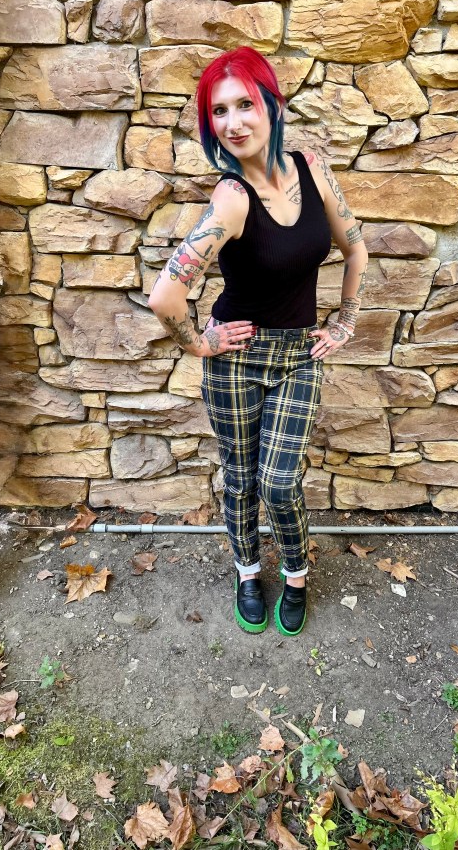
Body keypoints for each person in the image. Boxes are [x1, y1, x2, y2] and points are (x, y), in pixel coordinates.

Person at [148, 46, 368, 636]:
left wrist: (344, 322)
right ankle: (248, 573)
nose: (234, 122)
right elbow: (165, 296)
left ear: (273, 104)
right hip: (237, 359)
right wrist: (200, 344)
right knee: (241, 478)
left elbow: (356, 249)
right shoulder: (231, 198)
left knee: (279, 480)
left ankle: (295, 574)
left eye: (245, 104)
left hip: (298, 355)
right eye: (219, 112)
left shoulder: (312, 168)